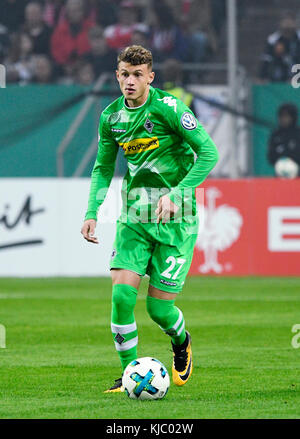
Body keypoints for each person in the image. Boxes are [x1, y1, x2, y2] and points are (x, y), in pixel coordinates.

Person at [81, 45, 219, 392]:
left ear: (150, 77)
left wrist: (179, 193)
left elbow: (209, 153)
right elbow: (102, 167)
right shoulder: (110, 117)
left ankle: (181, 340)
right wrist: (91, 213)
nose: (130, 81)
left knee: (158, 309)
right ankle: (130, 375)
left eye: (137, 75)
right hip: (135, 218)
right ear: (117, 75)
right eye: (125, 74)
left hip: (177, 220)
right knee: (122, 298)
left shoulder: (169, 108)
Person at [268, 103, 300, 172]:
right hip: (280, 175)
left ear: (293, 117)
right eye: (281, 116)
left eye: (286, 116)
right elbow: (271, 157)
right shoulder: (276, 135)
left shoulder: (298, 134)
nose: (283, 119)